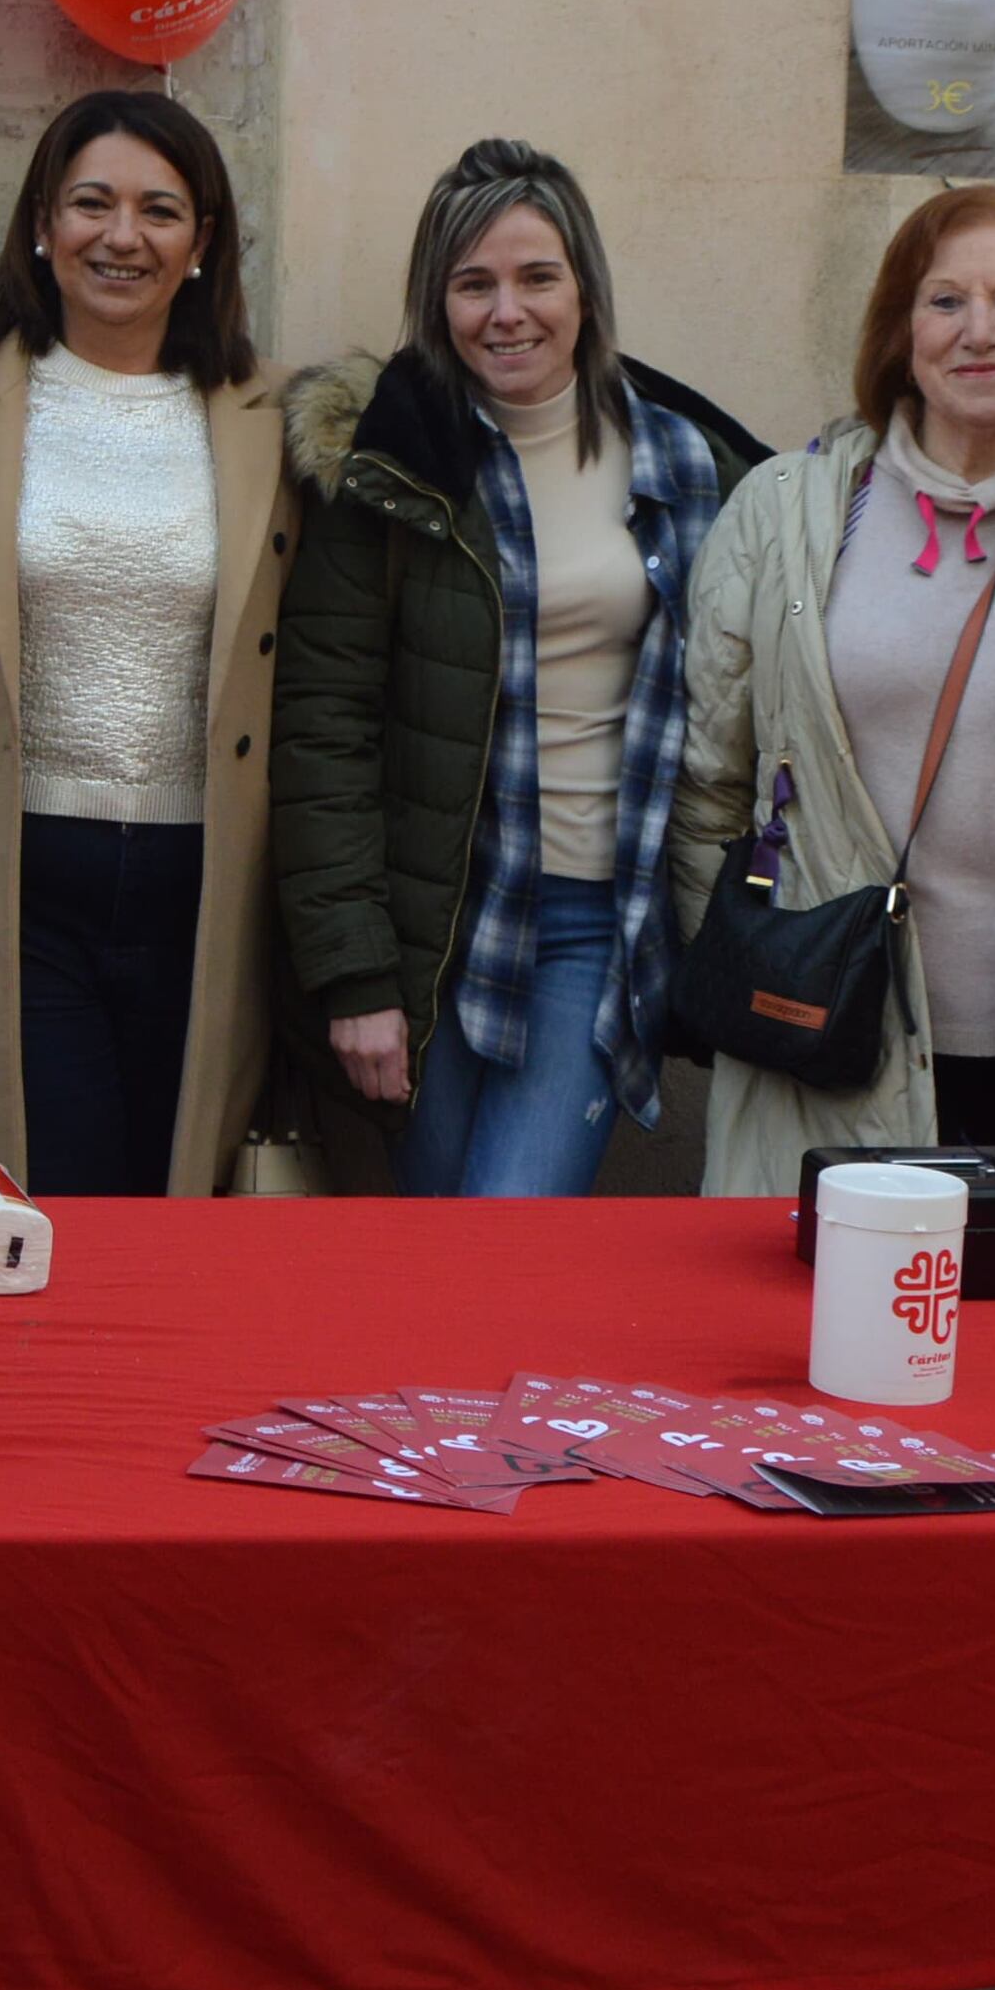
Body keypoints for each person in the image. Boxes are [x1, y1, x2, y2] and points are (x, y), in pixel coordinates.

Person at [270, 139, 764, 1197]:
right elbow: (323, 731)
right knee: (426, 1240)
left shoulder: (679, 462)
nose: (507, 312)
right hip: (432, 931)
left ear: (584, 288)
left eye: (537, 277)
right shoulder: (398, 469)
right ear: (434, 301)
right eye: (472, 284)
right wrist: (355, 978)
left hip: (597, 924)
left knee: (507, 1225)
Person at [667, 184, 995, 1188]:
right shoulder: (786, 511)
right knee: (830, 1338)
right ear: (901, 331)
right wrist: (753, 973)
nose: (977, 332)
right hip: (827, 1042)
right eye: (944, 301)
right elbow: (706, 785)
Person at [0, 93, 293, 1196]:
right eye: (91, 202)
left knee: (181, 1206)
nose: (120, 236)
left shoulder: (271, 412)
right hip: (15, 877)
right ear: (40, 220)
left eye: (158, 210)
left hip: (206, 881)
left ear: (202, 242)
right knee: (56, 1199)